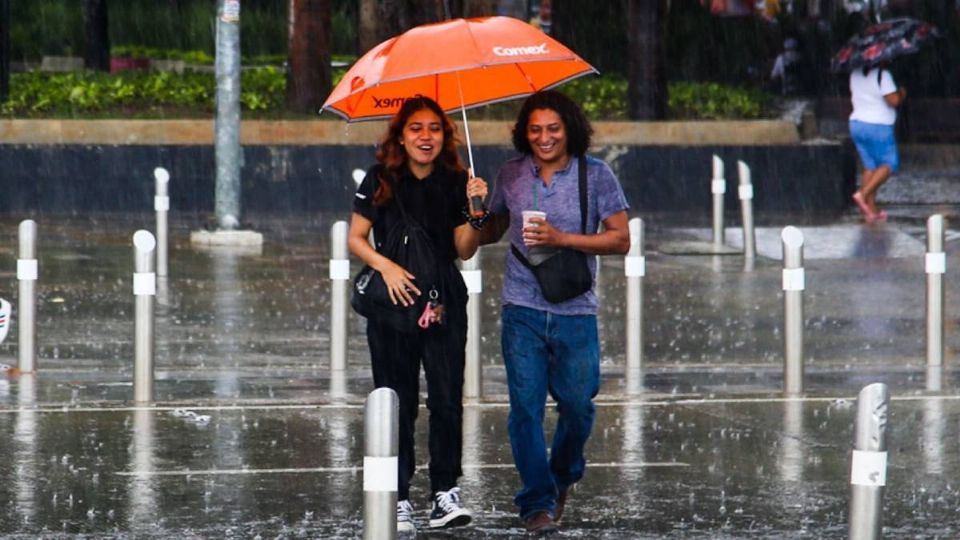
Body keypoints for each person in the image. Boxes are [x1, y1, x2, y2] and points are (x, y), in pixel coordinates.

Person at [481, 90, 630, 534]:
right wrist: (475, 206)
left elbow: (621, 240)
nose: (544, 138)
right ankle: (536, 503)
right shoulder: (510, 174)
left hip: (575, 309)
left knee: (578, 406)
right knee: (525, 408)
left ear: (569, 130)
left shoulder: (596, 175)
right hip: (521, 307)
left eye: (553, 129)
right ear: (523, 133)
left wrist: (562, 238)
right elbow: (491, 229)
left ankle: (562, 476)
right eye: (535, 129)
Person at [347, 96, 489, 533]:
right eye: (416, 128)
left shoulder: (458, 179)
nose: (425, 137)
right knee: (397, 401)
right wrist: (385, 266)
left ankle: (445, 493)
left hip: (443, 298)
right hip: (391, 306)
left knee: (447, 399)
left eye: (434, 129)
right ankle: (400, 496)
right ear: (401, 135)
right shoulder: (380, 179)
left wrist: (477, 210)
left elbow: (464, 250)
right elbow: (356, 238)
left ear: (445, 135)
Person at [848, 63, 907, 223]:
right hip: (878, 125)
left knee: (870, 166)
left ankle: (870, 209)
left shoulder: (855, 73)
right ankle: (863, 194)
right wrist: (901, 93)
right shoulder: (883, 75)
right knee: (889, 164)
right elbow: (893, 100)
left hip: (857, 123)